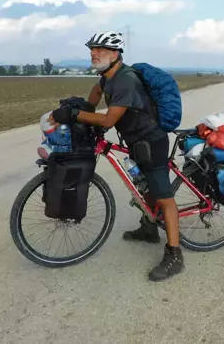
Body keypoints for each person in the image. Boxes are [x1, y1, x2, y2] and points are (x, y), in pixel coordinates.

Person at [47, 31, 184, 282]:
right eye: (92, 50)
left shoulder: (126, 80)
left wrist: (74, 115)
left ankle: (175, 256)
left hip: (152, 142)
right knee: (143, 187)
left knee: (164, 197)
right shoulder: (106, 78)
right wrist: (83, 108)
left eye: (99, 50)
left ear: (115, 54)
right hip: (135, 142)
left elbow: (109, 119)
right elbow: (96, 94)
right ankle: (149, 228)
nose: (93, 54)